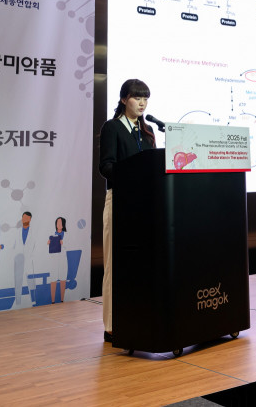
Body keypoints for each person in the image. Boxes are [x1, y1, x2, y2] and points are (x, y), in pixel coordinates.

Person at [98, 79, 156, 343]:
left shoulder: (147, 131)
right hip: (120, 200)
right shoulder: (112, 127)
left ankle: (139, 318)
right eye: (137, 97)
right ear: (124, 99)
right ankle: (112, 326)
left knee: (141, 263)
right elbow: (106, 166)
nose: (142, 103)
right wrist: (132, 177)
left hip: (143, 203)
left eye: (145, 98)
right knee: (115, 264)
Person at [45, 216, 68, 304]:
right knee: (53, 280)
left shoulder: (66, 235)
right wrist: (48, 243)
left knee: (63, 280)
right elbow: (48, 250)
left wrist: (63, 243)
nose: (59, 224)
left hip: (62, 261)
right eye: (57, 222)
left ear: (63, 224)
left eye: (60, 223)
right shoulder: (52, 235)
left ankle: (62, 300)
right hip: (54, 260)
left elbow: (69, 246)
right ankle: (53, 301)